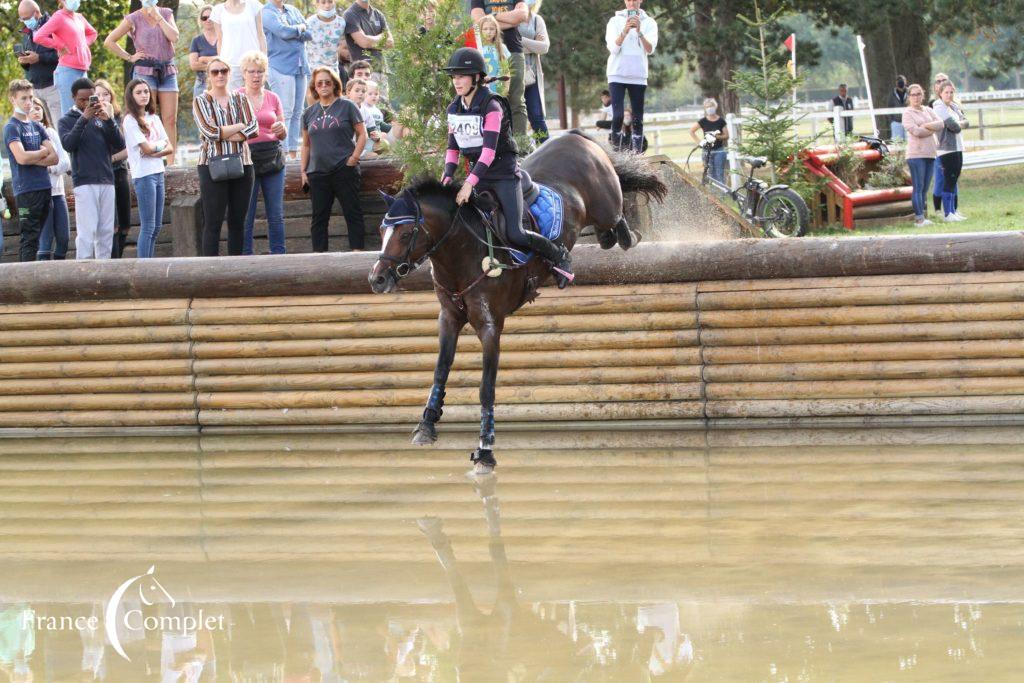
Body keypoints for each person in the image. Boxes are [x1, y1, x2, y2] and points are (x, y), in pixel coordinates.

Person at [440, 47, 572, 287]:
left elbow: (489, 152)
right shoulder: (454, 109)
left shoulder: (492, 106)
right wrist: (447, 176)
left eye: (462, 76)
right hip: (478, 176)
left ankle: (558, 255)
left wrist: (469, 183)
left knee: (515, 233)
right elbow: (452, 148)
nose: (456, 81)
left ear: (476, 78)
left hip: (503, 176)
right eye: (454, 76)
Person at [193, 58, 258, 256]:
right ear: (208, 76)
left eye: (223, 71)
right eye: (214, 72)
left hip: (243, 164)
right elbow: (209, 132)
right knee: (213, 221)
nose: (219, 75)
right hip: (212, 165)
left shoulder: (241, 98)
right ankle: (210, 271)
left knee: (238, 221)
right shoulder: (201, 101)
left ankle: (235, 269)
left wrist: (224, 131)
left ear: (229, 73)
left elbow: (254, 127)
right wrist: (239, 127)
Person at [301, 66, 367, 252]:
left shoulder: (347, 106)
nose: (323, 85)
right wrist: (302, 170)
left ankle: (357, 254)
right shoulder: (308, 113)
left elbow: (362, 134)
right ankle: (319, 258)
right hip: (317, 172)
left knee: (352, 213)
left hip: (343, 169)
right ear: (314, 86)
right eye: (319, 82)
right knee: (319, 219)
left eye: (327, 82)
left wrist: (354, 158)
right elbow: (306, 144)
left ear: (334, 84)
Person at [103, 0, 180, 154]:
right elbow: (109, 41)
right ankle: (148, 153)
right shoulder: (133, 18)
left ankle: (171, 162)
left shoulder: (166, 13)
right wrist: (129, 57)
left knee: (170, 119)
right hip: (145, 71)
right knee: (145, 115)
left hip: (167, 69)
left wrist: (158, 17)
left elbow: (174, 37)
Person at [59, 77, 123, 259]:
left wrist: (109, 120)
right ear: (73, 98)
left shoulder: (102, 117)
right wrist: (84, 118)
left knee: (106, 232)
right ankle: (82, 275)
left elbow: (119, 143)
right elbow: (69, 144)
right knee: (87, 233)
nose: (88, 103)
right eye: (82, 100)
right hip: (84, 181)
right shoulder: (66, 120)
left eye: (91, 98)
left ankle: (103, 273)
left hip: (106, 179)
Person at [238, 50, 288, 255]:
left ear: (266, 74)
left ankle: (279, 257)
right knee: (246, 214)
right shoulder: (236, 97)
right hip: (247, 158)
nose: (256, 76)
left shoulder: (273, 97)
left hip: (272, 157)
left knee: (275, 213)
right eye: (252, 71)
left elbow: (283, 132)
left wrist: (281, 129)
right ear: (244, 73)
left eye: (260, 71)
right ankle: (245, 257)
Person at [4, 79, 57, 262]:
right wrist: (41, 153)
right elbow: (21, 158)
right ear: (13, 99)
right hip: (26, 190)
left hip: (44, 186)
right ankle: (22, 286)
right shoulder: (12, 127)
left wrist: (33, 158)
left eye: (31, 98)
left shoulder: (37, 126)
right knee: (29, 239)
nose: (28, 103)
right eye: (23, 98)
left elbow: (55, 157)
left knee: (41, 237)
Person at [123, 79, 172, 258]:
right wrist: (156, 147)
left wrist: (154, 148)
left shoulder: (154, 118)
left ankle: (149, 264)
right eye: (139, 92)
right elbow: (146, 149)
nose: (144, 95)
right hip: (144, 176)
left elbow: (169, 147)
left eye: (146, 91)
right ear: (131, 96)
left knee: (157, 226)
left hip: (159, 172)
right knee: (148, 225)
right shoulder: (130, 120)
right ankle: (143, 267)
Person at [605, 0, 657, 154]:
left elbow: (650, 49)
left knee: (637, 118)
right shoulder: (614, 21)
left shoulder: (650, 22)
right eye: (628, 0)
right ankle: (616, 152)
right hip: (617, 73)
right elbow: (613, 48)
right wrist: (625, 31)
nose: (632, 3)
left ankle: (637, 155)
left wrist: (639, 31)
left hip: (638, 75)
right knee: (618, 115)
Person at [471, 0, 528, 138]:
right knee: (488, 100)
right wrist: (510, 20)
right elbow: (479, 21)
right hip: (486, 53)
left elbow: (522, 15)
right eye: (491, 27)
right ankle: (492, 143)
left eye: (493, 28)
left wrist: (492, 17)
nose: (492, 29)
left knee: (516, 99)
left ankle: (520, 146)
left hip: (513, 50)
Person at [31, 0, 98, 118]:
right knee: (70, 114)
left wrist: (82, 45)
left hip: (82, 70)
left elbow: (92, 33)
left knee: (87, 111)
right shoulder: (59, 17)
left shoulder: (79, 17)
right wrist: (60, 45)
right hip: (68, 70)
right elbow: (38, 36)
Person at [264, 0, 310, 161]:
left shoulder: (293, 10)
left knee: (298, 112)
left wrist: (294, 32)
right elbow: (282, 32)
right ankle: (281, 154)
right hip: (280, 66)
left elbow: (309, 33)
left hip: (300, 65)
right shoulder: (267, 12)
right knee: (286, 111)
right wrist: (299, 29)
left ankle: (292, 153)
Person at [93, 79, 132, 258]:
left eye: (105, 94)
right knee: (112, 224)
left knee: (125, 224)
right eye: (98, 94)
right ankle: (112, 262)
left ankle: (119, 258)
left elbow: (127, 148)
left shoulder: (119, 118)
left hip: (120, 171)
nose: (102, 97)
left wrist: (113, 158)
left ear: (111, 96)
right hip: (103, 176)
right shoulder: (91, 119)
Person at [30, 96, 71, 260]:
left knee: (64, 237)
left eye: (38, 107)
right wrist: (50, 163)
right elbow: (31, 163)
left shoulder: (51, 133)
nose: (35, 111)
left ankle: (59, 275)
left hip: (58, 192)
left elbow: (65, 162)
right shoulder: (26, 134)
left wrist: (50, 167)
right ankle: (42, 278)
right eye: (31, 108)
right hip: (41, 192)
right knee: (45, 239)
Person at [901, 83, 944, 227]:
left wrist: (925, 126)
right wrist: (930, 128)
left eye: (919, 94)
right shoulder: (907, 113)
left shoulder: (928, 110)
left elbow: (941, 124)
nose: (916, 97)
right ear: (909, 97)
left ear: (923, 95)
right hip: (916, 154)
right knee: (918, 187)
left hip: (930, 153)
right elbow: (916, 132)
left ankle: (924, 215)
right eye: (913, 95)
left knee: (925, 187)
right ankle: (919, 218)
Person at [17, 1, 62, 120]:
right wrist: (25, 61)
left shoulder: (53, 25)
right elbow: (31, 63)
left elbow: (64, 53)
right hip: (35, 89)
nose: (26, 22)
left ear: (37, 12)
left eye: (27, 18)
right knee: (44, 130)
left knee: (59, 128)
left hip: (53, 86)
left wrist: (39, 58)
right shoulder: (27, 32)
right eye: (22, 19)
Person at [210, 0, 267, 91]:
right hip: (230, 64)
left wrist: (264, 62)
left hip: (253, 63)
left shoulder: (253, 5)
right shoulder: (218, 10)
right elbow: (220, 40)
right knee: (234, 101)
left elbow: (261, 35)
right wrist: (221, 64)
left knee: (256, 100)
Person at [932, 81, 969, 222]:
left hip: (958, 146)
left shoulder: (953, 106)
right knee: (949, 178)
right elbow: (955, 126)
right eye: (946, 92)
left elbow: (966, 122)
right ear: (940, 93)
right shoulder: (939, 108)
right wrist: (959, 123)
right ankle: (948, 213)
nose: (949, 95)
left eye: (951, 92)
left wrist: (960, 123)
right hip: (946, 148)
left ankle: (953, 211)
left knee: (954, 179)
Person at [342, 0, 393, 95]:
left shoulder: (378, 14)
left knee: (383, 108)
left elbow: (390, 42)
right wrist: (381, 37)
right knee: (365, 107)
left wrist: (368, 39)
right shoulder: (350, 14)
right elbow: (363, 42)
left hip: (382, 69)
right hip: (363, 73)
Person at [519, 0, 549, 144]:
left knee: (537, 117)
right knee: (514, 117)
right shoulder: (508, 18)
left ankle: (546, 151)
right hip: (511, 76)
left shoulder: (537, 20)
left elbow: (544, 48)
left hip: (532, 77)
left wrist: (521, 40)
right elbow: (505, 45)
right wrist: (533, 43)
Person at [690, 97, 728, 183]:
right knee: (709, 174)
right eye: (707, 107)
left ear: (715, 106)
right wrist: (700, 142)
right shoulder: (703, 121)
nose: (709, 108)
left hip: (719, 151)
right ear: (705, 108)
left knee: (719, 173)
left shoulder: (721, 121)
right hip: (707, 151)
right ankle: (711, 194)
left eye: (711, 106)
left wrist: (717, 136)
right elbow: (692, 131)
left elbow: (726, 135)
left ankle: (721, 195)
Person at [930, 73, 952, 214]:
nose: (941, 83)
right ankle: (938, 209)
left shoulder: (953, 103)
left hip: (952, 144)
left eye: (944, 80)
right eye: (938, 81)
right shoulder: (933, 104)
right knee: (939, 178)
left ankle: (952, 209)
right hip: (938, 145)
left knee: (952, 178)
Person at [306, 0, 347, 73]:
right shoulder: (309, 23)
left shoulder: (341, 23)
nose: (327, 5)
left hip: (333, 70)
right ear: (317, 3)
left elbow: (342, 44)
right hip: (313, 70)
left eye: (330, 2)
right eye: (323, 2)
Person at [189, 5, 219, 100]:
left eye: (210, 17)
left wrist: (204, 59)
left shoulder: (224, 38)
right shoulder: (196, 40)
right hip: (202, 83)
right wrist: (217, 61)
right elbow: (193, 65)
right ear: (201, 20)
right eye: (204, 18)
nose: (208, 20)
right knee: (199, 114)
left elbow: (227, 60)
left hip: (222, 82)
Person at [476, 15, 509, 95]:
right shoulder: (477, 48)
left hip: (497, 89)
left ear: (496, 30)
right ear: (480, 30)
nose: (488, 32)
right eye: (485, 29)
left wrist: (506, 88)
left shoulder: (501, 48)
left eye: (491, 29)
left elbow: (506, 70)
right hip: (480, 89)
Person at [888, 75, 908, 141]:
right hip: (896, 122)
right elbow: (889, 107)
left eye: (902, 80)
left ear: (906, 82)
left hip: (909, 122)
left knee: (910, 142)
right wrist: (892, 121)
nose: (900, 82)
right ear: (896, 83)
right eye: (898, 80)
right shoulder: (892, 94)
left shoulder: (910, 92)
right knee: (897, 143)